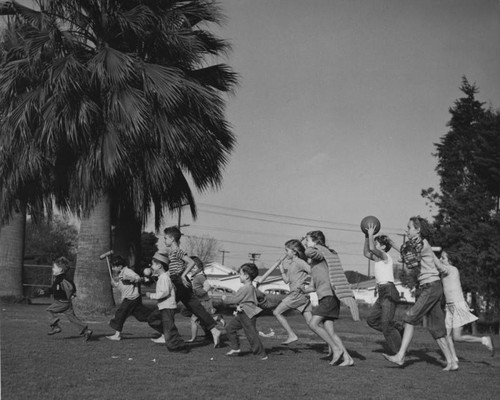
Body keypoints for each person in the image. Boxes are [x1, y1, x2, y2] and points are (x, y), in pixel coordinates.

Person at [383, 216, 457, 371]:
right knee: (437, 330)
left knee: (409, 318)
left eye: (409, 227)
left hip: (430, 287)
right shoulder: (419, 243)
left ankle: (400, 356)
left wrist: (397, 250)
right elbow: (407, 252)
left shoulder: (421, 244)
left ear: (418, 230)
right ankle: (452, 362)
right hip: (432, 287)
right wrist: (392, 244)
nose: (406, 230)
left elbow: (410, 259)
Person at [162, 226, 222, 347]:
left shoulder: (177, 251)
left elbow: (191, 262)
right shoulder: (172, 253)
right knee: (196, 308)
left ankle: (165, 334)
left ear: (172, 239)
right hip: (178, 281)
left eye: (165, 238)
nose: (164, 240)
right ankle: (214, 330)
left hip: (179, 282)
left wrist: (183, 275)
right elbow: (177, 268)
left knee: (166, 308)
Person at [301, 231, 354, 366]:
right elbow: (313, 286)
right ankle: (348, 359)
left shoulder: (321, 253)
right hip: (327, 296)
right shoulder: (316, 263)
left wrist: (310, 246)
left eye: (307, 240)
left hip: (329, 297)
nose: (306, 242)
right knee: (331, 332)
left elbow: (308, 252)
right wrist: (304, 289)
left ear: (316, 242)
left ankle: (336, 349)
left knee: (313, 323)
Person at [438, 250, 494, 360]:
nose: (440, 259)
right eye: (440, 257)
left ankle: (484, 340)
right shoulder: (443, 271)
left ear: (450, 261)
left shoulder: (452, 269)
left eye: (443, 258)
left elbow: (438, 265)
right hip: (449, 306)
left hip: (458, 305)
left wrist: (429, 253)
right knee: (447, 335)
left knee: (457, 337)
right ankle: (454, 359)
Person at [255, 239, 312, 345]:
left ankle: (292, 335)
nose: (285, 253)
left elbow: (313, 272)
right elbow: (286, 281)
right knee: (313, 324)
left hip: (297, 294)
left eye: (287, 250)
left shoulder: (300, 262)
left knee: (276, 312)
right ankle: (331, 343)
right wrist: (281, 268)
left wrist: (311, 287)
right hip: (300, 295)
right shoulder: (291, 264)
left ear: (294, 251)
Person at [363, 225, 403, 354]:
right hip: (382, 292)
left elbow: (372, 248)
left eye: (377, 243)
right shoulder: (377, 258)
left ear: (384, 247)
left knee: (386, 325)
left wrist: (370, 234)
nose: (374, 245)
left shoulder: (385, 256)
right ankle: (396, 328)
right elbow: (366, 252)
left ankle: (399, 353)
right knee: (371, 320)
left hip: (389, 291)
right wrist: (366, 236)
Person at [106, 255, 158, 341]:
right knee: (141, 316)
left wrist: (129, 278)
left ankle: (117, 334)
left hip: (131, 298)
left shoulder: (127, 271)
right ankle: (158, 317)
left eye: (114, 267)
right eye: (112, 267)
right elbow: (122, 286)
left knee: (120, 313)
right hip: (133, 298)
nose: (112, 268)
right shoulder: (121, 274)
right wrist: (115, 284)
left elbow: (136, 277)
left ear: (120, 266)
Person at [41, 257, 92, 341]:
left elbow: (68, 287)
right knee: (72, 318)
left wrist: (71, 293)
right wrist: (46, 291)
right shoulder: (61, 279)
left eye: (55, 267)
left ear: (61, 269)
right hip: (67, 303)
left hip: (62, 302)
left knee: (49, 310)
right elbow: (55, 289)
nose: (53, 269)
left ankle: (55, 326)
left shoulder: (62, 279)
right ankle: (86, 331)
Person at [146, 252, 188, 353]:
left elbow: (164, 292)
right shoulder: (162, 277)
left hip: (168, 307)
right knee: (153, 319)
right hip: (164, 306)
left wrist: (151, 295)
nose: (151, 266)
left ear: (159, 265)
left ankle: (178, 346)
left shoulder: (164, 278)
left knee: (169, 328)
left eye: (153, 264)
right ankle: (173, 340)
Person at [224, 263, 267, 360]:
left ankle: (261, 354)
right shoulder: (251, 288)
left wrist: (225, 299)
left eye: (240, 273)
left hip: (248, 314)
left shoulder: (246, 288)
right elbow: (261, 295)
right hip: (241, 313)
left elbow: (235, 299)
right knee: (230, 328)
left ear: (247, 276)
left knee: (251, 335)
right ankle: (235, 348)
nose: (239, 275)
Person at [186, 256, 225, 343]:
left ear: (199, 268)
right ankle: (217, 318)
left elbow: (207, 286)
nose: (192, 269)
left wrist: (200, 293)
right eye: (191, 267)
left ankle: (193, 338)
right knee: (203, 319)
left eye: (194, 267)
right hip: (200, 301)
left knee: (194, 319)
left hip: (204, 302)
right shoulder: (195, 276)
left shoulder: (200, 276)